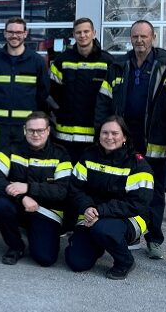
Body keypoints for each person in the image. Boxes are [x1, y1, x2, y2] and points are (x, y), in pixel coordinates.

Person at [95, 19, 166, 259]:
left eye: (144, 36)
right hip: (124, 141)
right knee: (120, 187)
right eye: (135, 37)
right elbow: (104, 99)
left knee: (154, 192)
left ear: (153, 38)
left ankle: (154, 239)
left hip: (156, 141)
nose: (139, 41)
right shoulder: (119, 65)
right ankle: (126, 234)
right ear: (130, 39)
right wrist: (102, 132)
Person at [64, 116, 153, 280]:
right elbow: (75, 189)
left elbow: (138, 203)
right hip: (92, 214)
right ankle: (96, 244)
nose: (109, 137)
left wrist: (100, 211)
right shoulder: (88, 156)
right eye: (105, 133)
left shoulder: (137, 164)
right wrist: (87, 207)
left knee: (103, 229)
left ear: (124, 137)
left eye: (115, 133)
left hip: (128, 217)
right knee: (77, 263)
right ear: (99, 135)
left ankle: (125, 261)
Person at [0, 112, 72, 266]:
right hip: (19, 205)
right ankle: (15, 246)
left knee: (45, 259)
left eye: (40, 130)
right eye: (31, 130)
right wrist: (22, 197)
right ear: (25, 130)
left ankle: (35, 233)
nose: (35, 134)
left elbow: (62, 191)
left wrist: (28, 187)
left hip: (47, 211)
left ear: (48, 130)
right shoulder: (12, 149)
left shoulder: (61, 155)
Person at [0, 17, 51, 160]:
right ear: (5, 34)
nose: (14, 36)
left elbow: (43, 94)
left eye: (18, 32)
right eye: (10, 32)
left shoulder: (36, 61)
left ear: (25, 33)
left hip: (26, 125)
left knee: (24, 162)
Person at [50, 18, 117, 163]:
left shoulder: (108, 62)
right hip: (65, 134)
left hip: (96, 135)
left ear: (94, 33)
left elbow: (113, 99)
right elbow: (52, 95)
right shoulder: (61, 61)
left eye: (86, 31)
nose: (83, 35)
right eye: (78, 32)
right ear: (73, 35)